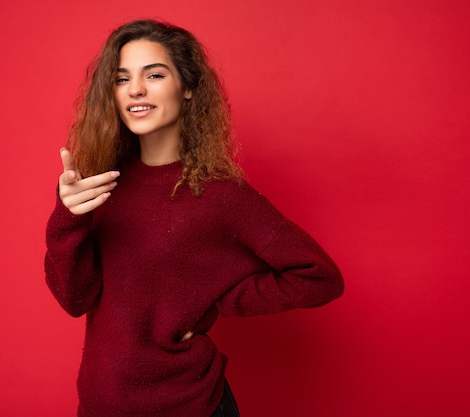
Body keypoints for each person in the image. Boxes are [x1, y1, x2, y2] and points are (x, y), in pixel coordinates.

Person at [45, 19, 344, 417]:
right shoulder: (101, 184)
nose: (135, 89)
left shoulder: (220, 194)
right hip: (102, 403)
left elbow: (319, 276)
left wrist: (221, 299)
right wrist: (68, 217)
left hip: (188, 405)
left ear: (187, 88)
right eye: (121, 79)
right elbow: (74, 299)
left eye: (154, 74)